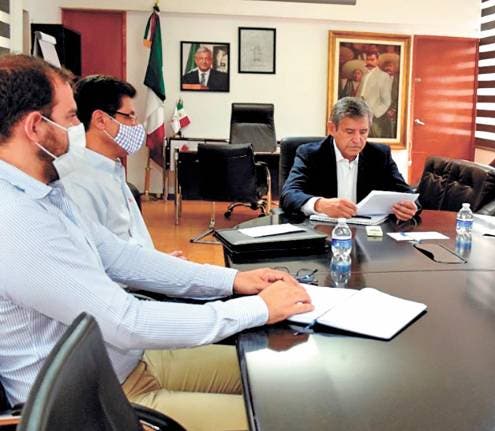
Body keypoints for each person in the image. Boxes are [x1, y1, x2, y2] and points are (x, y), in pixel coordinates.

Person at [0, 54, 312, 430]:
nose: (77, 128)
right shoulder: (16, 220)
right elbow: (126, 320)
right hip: (97, 404)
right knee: (286, 419)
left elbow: (119, 256)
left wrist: (234, 281)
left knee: (284, 379)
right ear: (36, 126)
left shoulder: (45, 190)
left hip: (128, 362)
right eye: (70, 117)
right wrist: (257, 309)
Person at [61, 74, 182, 257]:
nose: (136, 125)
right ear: (100, 120)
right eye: (129, 116)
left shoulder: (112, 169)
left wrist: (161, 261)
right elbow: (105, 260)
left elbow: (132, 240)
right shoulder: (78, 183)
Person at [280, 97, 417, 221]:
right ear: (332, 128)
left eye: (363, 132)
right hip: (322, 231)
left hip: (367, 234)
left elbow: (408, 194)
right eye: (350, 132)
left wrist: (410, 208)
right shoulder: (310, 154)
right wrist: (320, 204)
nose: (357, 140)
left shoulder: (379, 155)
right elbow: (288, 194)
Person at [358, 51, 393, 138]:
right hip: (361, 116)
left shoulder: (384, 76)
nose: (369, 62)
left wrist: (375, 114)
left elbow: (387, 101)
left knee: (375, 140)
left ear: (377, 61)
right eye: (368, 59)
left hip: (376, 118)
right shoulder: (365, 76)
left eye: (372, 59)